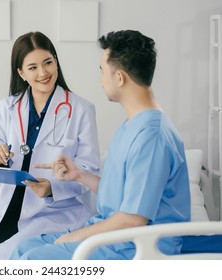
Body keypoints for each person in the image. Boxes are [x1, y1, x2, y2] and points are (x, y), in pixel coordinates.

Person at [10, 30, 191, 260]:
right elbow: (122, 194)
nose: (101, 79)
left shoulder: (151, 137)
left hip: (134, 248)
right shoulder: (133, 125)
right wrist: (79, 175)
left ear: (119, 78)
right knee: (23, 248)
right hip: (116, 238)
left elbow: (133, 219)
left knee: (30, 261)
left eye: (102, 70)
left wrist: (77, 236)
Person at [0, 32, 100, 260]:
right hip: (11, 205)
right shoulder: (3, 109)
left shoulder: (81, 110)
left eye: (48, 63)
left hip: (57, 210)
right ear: (21, 73)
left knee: (9, 255)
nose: (43, 73)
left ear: (56, 61)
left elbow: (90, 172)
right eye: (33, 67)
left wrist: (52, 188)